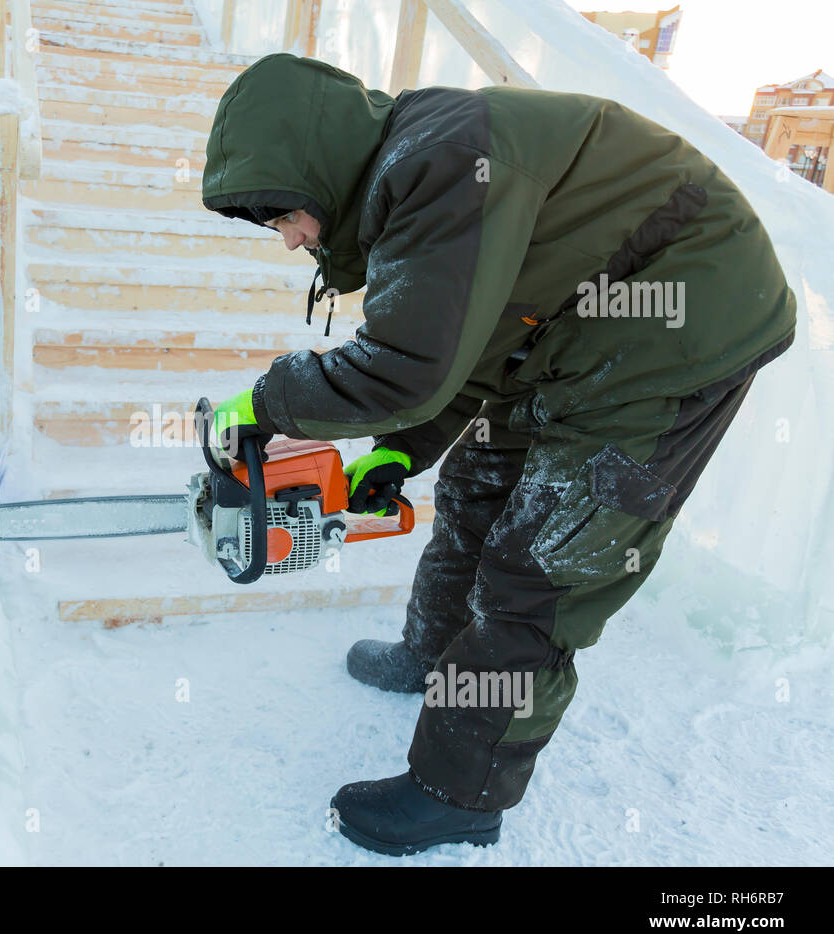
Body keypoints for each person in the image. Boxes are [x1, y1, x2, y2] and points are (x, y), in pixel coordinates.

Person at [202, 54, 796, 856]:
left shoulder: (437, 163)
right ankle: (431, 655)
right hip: (562, 331)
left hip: (677, 327)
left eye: (285, 220)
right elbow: (463, 347)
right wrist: (401, 451)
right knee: (476, 488)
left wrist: (266, 403)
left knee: (541, 569)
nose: (291, 243)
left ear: (318, 174)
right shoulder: (418, 173)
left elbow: (405, 366)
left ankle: (460, 794)